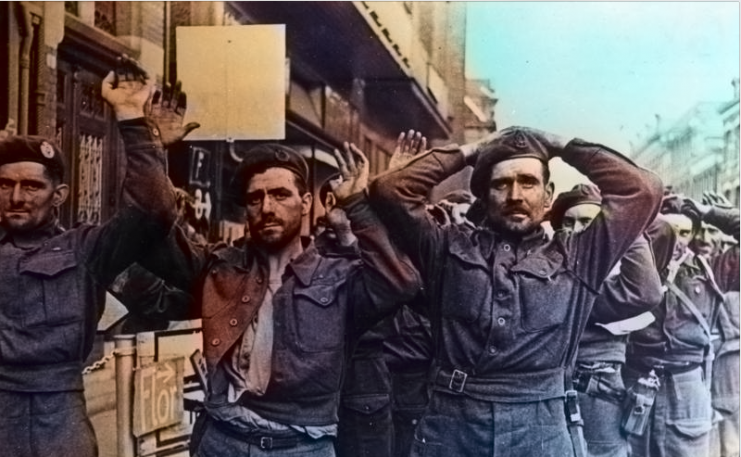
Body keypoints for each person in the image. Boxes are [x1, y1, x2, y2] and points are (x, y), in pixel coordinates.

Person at [368, 126, 662, 457]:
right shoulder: (445, 248)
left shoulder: (579, 257)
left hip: (540, 427)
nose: (515, 195)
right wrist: (472, 150)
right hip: (453, 424)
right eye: (500, 184)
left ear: (548, 195)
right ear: (483, 196)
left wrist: (561, 145)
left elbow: (644, 190)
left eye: (528, 182)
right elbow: (389, 190)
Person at [137, 141, 420, 456]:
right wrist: (149, 145)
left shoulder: (338, 277)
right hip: (222, 439)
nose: (267, 208)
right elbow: (148, 231)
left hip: (300, 447)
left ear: (305, 202)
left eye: (280, 194)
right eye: (255, 198)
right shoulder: (220, 266)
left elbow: (400, 282)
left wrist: (357, 204)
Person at [0, 57, 178, 457]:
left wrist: (132, 118)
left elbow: (155, 211)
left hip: (57, 413)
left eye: (31, 186)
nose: (16, 197)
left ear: (58, 196)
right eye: (5, 184)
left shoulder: (86, 249)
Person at [550, 183, 665, 457]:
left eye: (587, 222)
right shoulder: (546, 272)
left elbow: (645, 291)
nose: (577, 230)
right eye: (568, 222)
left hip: (598, 390)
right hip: (550, 389)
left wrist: (625, 225)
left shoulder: (618, 277)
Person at [624, 193, 736, 457]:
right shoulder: (633, 270)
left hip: (686, 385)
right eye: (668, 231)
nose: (676, 241)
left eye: (684, 232)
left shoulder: (711, 271)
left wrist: (708, 211)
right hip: (636, 381)